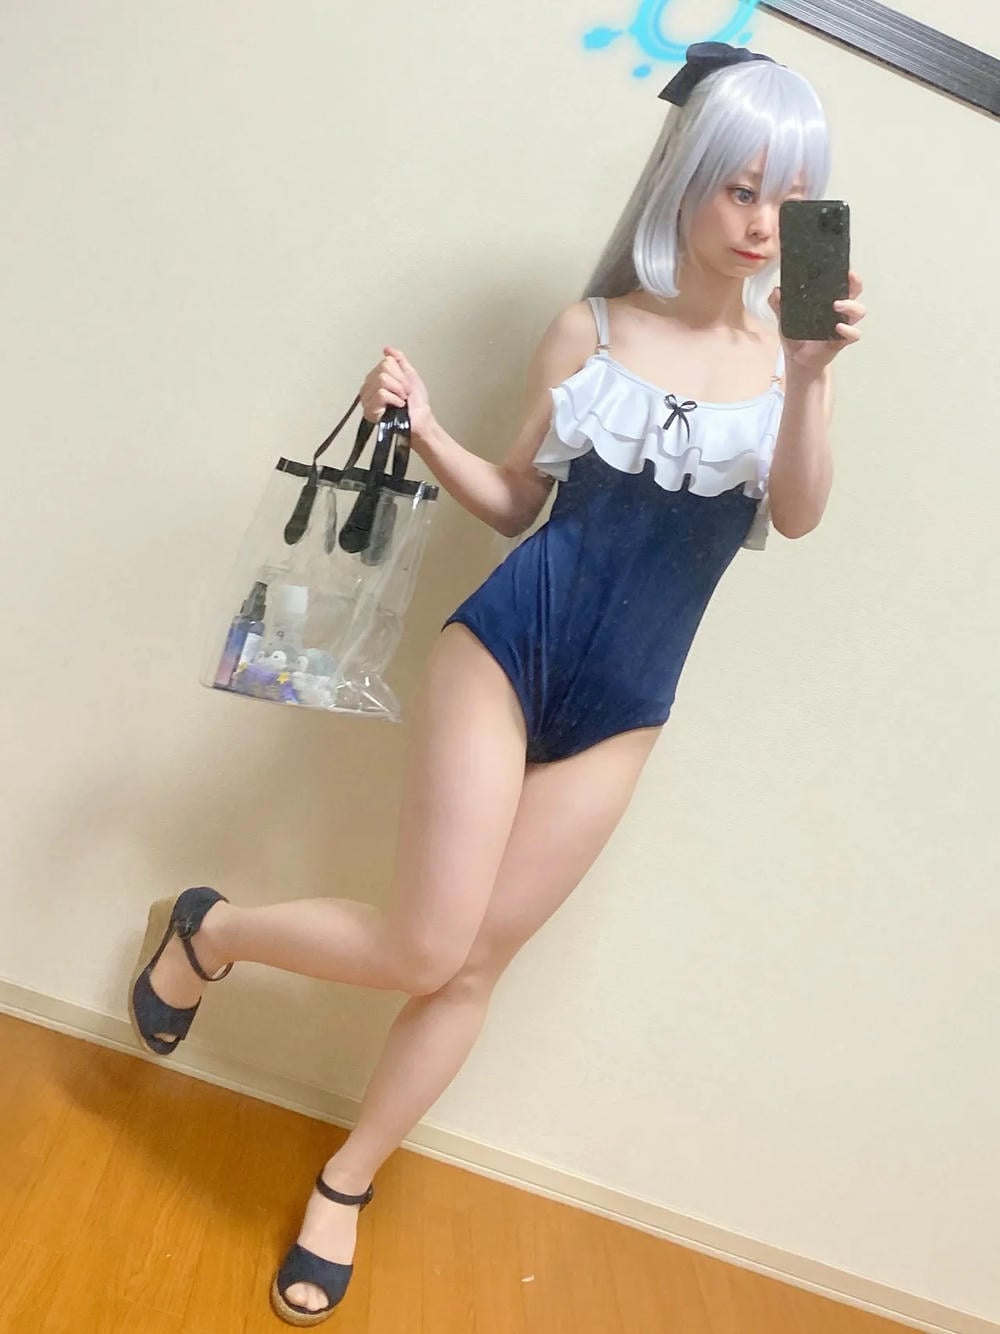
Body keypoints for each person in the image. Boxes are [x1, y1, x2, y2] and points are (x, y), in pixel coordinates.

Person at [128, 41, 866, 1326]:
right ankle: (212, 930)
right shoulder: (593, 329)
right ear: (684, 180)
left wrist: (807, 375)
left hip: (625, 702)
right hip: (507, 649)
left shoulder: (787, 365)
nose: (763, 223)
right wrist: (423, 425)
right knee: (424, 942)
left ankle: (345, 1179)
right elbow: (523, 504)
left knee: (472, 966)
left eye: (789, 198)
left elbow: (797, 514)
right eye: (740, 187)